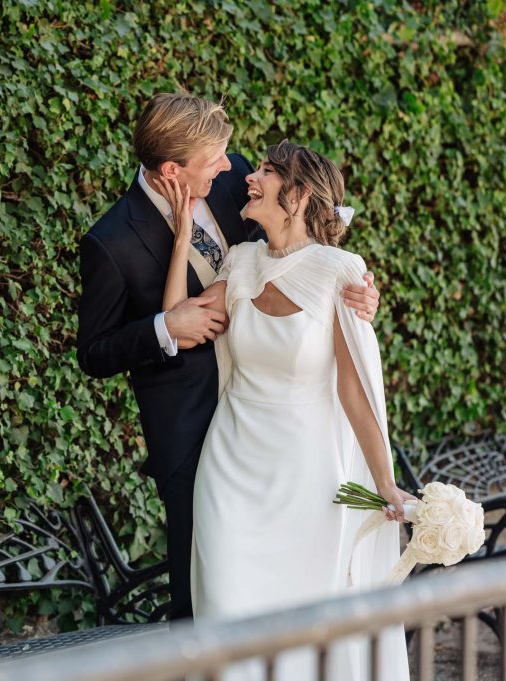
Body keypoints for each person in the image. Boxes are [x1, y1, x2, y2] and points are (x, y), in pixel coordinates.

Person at [76, 93, 381, 621]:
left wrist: (355, 295)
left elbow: (293, 251)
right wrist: (162, 328)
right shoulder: (109, 242)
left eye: (228, 157)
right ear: (172, 169)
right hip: (191, 429)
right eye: (214, 160)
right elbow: (95, 353)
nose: (230, 167)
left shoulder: (236, 174)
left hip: (280, 416)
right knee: (205, 597)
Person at [156, 140, 413, 679]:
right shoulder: (242, 260)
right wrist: (182, 239)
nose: (251, 177)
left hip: (307, 478)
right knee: (226, 612)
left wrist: (385, 483)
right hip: (229, 470)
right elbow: (178, 320)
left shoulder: (340, 270)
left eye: (267, 173)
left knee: (302, 631)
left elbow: (354, 390)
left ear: (295, 196)